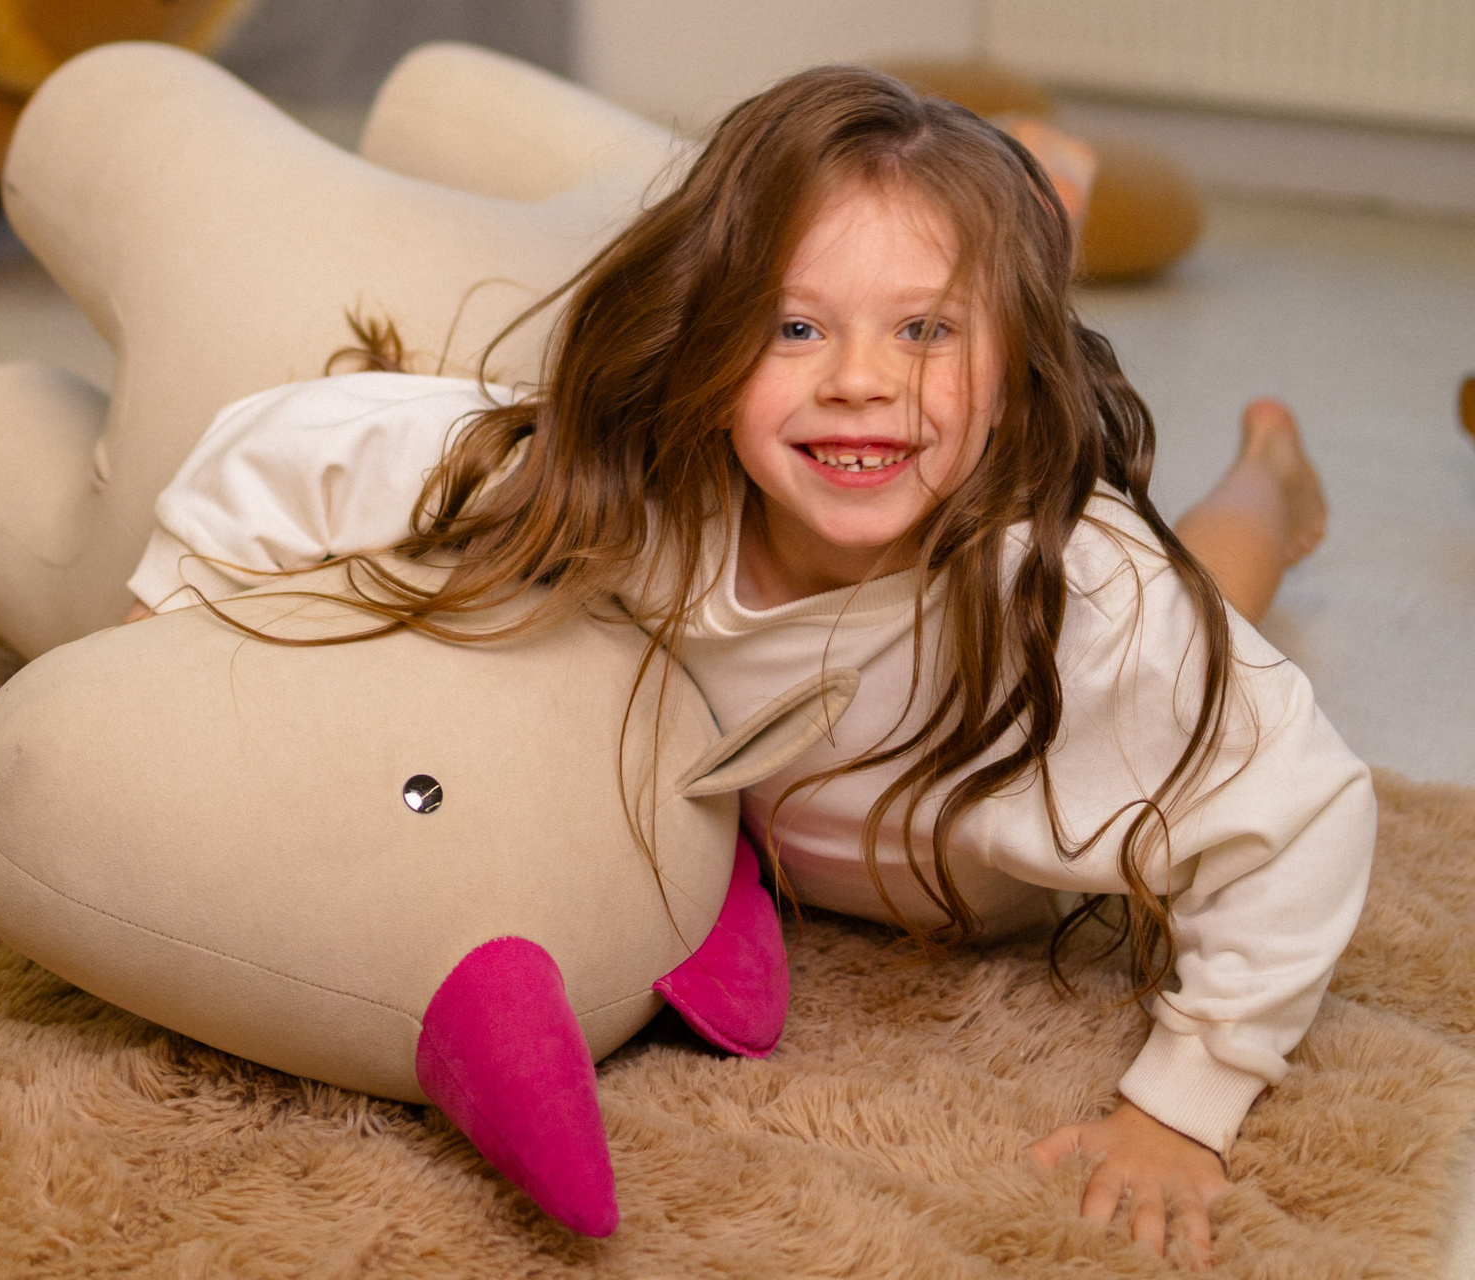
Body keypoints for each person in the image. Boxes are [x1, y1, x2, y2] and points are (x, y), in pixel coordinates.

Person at [122, 66, 1371, 1267]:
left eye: (927, 328)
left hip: (986, 852)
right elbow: (304, 447)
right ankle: (1015, 217)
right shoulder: (640, 494)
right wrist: (157, 647)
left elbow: (1306, 810)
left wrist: (1185, 1102)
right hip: (764, 829)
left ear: (1012, 365)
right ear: (710, 341)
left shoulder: (1087, 602)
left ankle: (1269, 472)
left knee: (1206, 585)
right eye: (796, 326)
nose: (861, 380)